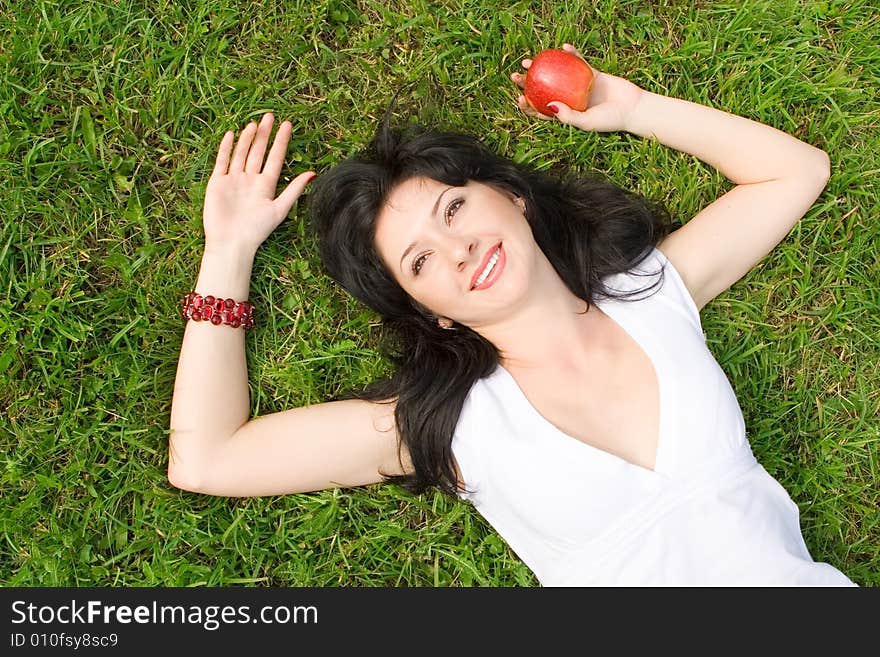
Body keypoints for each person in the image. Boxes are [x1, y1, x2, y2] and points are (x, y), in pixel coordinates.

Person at [169, 44, 856, 586]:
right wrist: (228, 250)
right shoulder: (454, 423)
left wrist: (630, 105)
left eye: (455, 208)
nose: (459, 249)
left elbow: (796, 172)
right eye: (421, 262)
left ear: (511, 197)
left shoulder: (653, 293)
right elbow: (207, 458)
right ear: (430, 312)